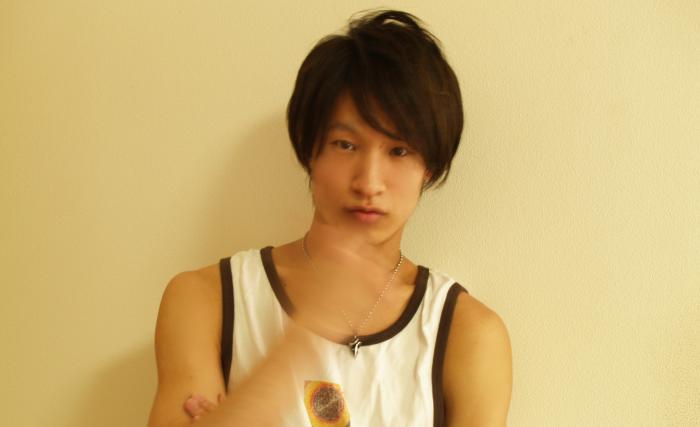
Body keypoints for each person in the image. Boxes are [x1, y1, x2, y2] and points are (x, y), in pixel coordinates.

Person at [148, 9, 512, 427]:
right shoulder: (206, 299)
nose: (368, 182)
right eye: (345, 144)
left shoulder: (467, 334)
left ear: (428, 166)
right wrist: (301, 339)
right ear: (310, 151)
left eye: (399, 151)